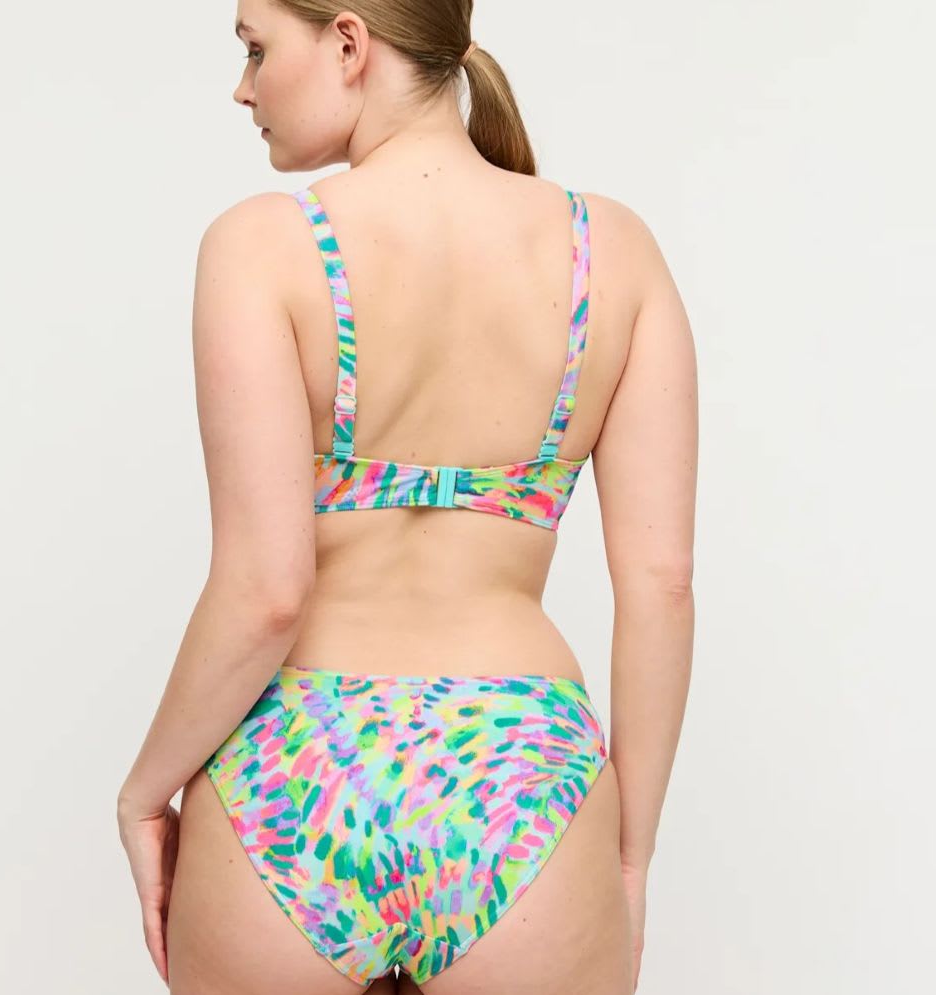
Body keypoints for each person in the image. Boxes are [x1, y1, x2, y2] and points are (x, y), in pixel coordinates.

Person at [116, 2, 697, 994]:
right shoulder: (611, 248)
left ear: (348, 42)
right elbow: (661, 585)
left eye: (256, 49)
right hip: (520, 774)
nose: (243, 89)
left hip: (294, 766)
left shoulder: (263, 246)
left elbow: (267, 592)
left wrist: (143, 791)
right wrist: (630, 855)